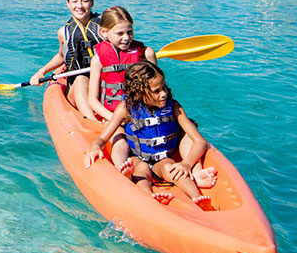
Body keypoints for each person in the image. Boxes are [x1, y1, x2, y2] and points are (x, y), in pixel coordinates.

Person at [83, 61, 218, 208]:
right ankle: (148, 196)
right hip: (139, 158)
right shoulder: (126, 109)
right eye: (156, 91)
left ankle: (197, 197)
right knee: (141, 170)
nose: (163, 94)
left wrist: (186, 163)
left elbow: (200, 141)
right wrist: (95, 147)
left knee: (172, 169)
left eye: (164, 88)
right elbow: (103, 138)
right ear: (138, 93)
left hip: (164, 159)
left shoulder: (173, 106)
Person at [30, 0, 102, 120]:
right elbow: (62, 56)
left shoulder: (105, 27)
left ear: (92, 2)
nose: (79, 6)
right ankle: (91, 121)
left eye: (85, 1)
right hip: (78, 85)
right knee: (81, 79)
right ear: (68, 3)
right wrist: (41, 71)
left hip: (103, 82)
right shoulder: (64, 33)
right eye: (74, 1)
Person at [85, 6, 158, 122]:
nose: (126, 38)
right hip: (112, 115)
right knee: (119, 140)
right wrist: (114, 118)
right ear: (103, 32)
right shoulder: (98, 60)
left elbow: (157, 89)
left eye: (129, 32)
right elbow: (92, 100)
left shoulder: (146, 54)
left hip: (142, 113)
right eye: (120, 33)